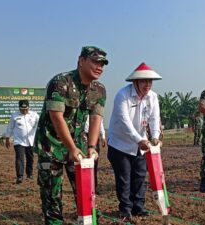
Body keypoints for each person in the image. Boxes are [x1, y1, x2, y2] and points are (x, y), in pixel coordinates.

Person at [34, 46, 108, 225]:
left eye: (102, 64)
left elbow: (96, 118)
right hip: (51, 146)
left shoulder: (99, 89)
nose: (99, 67)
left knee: (85, 192)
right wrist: (71, 148)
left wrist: (91, 147)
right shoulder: (60, 82)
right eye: (95, 61)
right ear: (81, 61)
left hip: (79, 146)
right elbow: (56, 117)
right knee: (52, 196)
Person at [107, 62, 162, 222]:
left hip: (141, 145)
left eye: (150, 82)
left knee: (139, 176)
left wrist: (155, 137)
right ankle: (125, 209)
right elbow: (125, 122)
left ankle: (139, 207)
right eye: (144, 81)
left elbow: (154, 118)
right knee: (124, 178)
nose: (147, 85)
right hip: (120, 144)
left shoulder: (153, 97)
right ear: (135, 82)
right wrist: (140, 140)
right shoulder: (122, 95)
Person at [6, 100, 39, 184]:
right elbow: (10, 128)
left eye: (26, 109)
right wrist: (7, 139)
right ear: (19, 108)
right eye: (22, 109)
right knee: (19, 158)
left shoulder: (34, 115)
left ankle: (29, 174)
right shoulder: (14, 116)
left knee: (30, 158)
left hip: (31, 141)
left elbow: (39, 125)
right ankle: (20, 176)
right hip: (19, 141)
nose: (24, 111)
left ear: (28, 107)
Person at [84, 114, 107, 193]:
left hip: (94, 136)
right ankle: (85, 187)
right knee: (83, 162)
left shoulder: (95, 106)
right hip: (82, 135)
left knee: (94, 162)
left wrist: (103, 135)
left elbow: (99, 120)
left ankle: (94, 187)